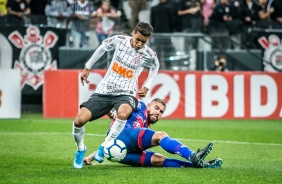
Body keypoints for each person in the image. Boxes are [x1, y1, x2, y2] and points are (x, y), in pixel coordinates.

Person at [72, 21, 160, 169]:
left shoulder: (148, 54)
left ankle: (104, 147)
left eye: (143, 42)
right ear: (133, 33)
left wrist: (146, 86)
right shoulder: (119, 40)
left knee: (123, 112)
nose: (139, 44)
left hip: (127, 92)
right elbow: (102, 48)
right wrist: (87, 67)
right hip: (105, 90)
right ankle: (81, 149)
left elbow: (155, 66)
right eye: (138, 39)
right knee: (79, 120)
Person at [84, 98, 222, 168]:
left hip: (118, 153)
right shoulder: (141, 106)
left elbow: (111, 144)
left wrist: (91, 156)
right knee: (160, 136)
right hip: (123, 135)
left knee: (158, 160)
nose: (158, 112)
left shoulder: (146, 126)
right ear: (149, 105)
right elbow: (126, 102)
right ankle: (193, 155)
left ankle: (196, 165)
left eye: (161, 112)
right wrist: (113, 109)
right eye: (156, 108)